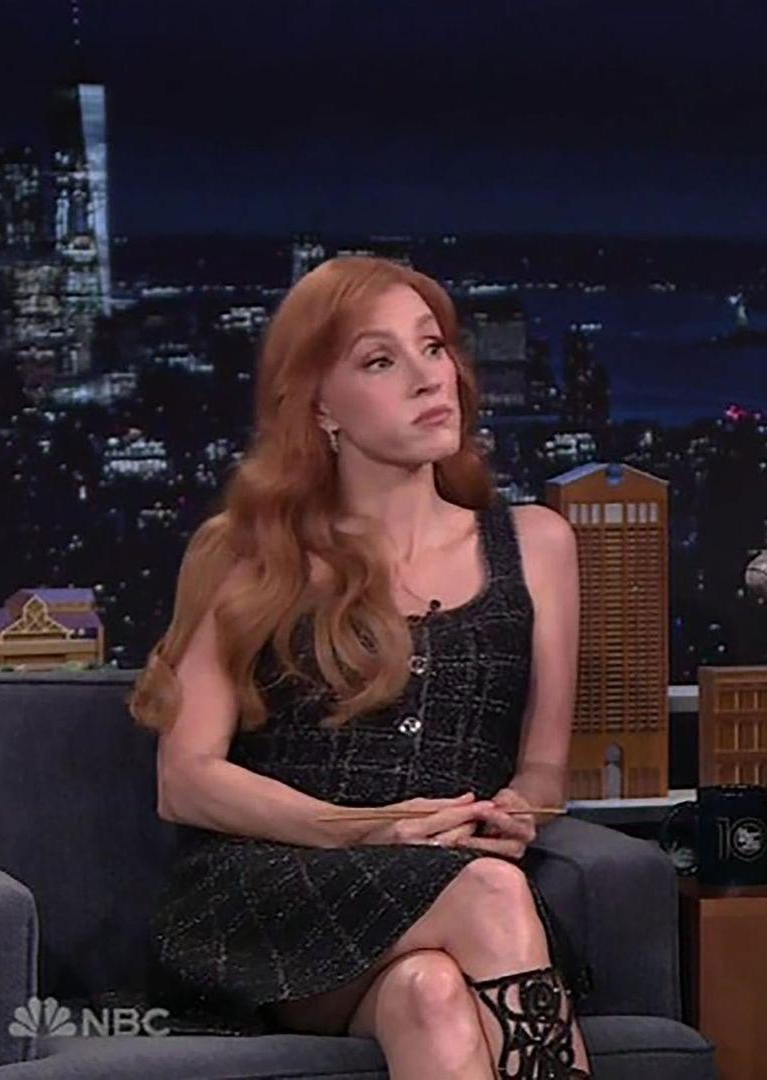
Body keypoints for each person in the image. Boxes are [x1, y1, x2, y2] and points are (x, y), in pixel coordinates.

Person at [131, 256, 591, 1079]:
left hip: (453, 887)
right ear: (319, 405)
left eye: (433, 347)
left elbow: (545, 766)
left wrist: (522, 810)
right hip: (278, 895)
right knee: (488, 892)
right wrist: (366, 827)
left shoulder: (538, 545)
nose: (428, 377)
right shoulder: (248, 554)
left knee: (430, 997)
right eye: (381, 360)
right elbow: (186, 781)